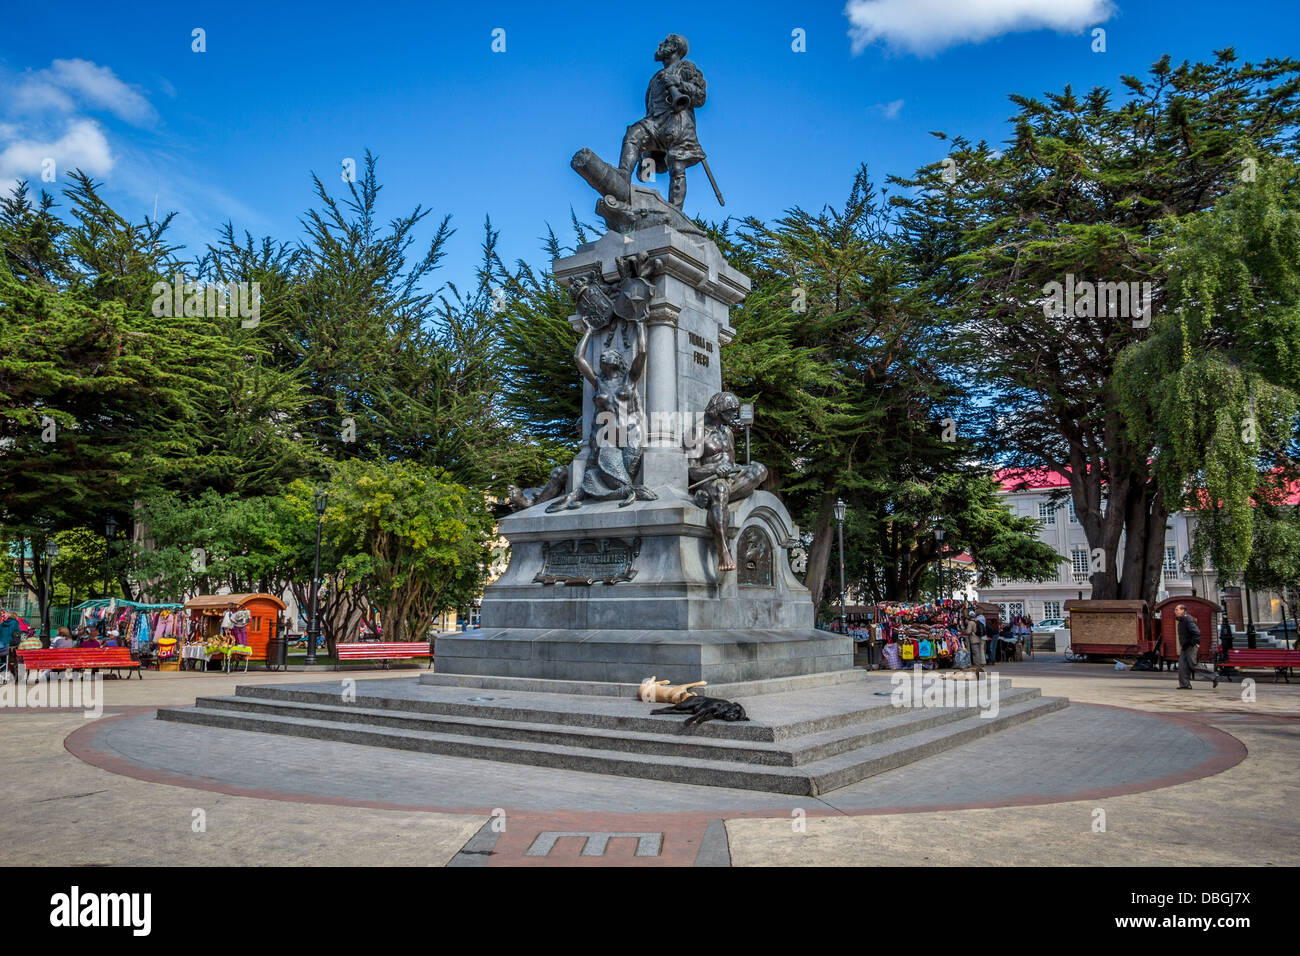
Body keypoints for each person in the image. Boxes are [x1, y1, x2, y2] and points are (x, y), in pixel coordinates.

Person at [1175, 604, 1217, 689]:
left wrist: (1191, 643)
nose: (1175, 611)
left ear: (1183, 610)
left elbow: (1197, 633)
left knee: (1193, 664)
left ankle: (1214, 676)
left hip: (1190, 646)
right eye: (1175, 610)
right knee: (1182, 666)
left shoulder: (1187, 619)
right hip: (1185, 646)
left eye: (1177, 609)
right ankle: (1185, 685)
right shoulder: (1182, 620)